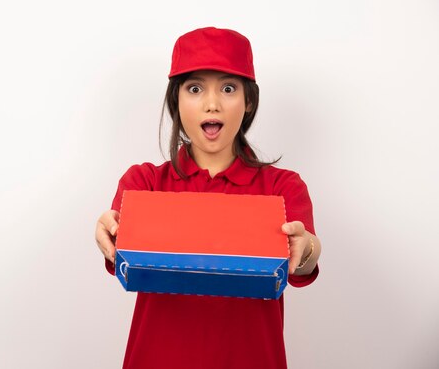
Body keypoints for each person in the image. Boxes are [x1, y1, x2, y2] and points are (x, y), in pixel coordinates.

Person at [95, 26, 322, 369]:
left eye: (228, 88)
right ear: (177, 100)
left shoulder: (282, 188)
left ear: (248, 102)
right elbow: (118, 245)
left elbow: (305, 257)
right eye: (195, 88)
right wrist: (108, 233)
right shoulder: (144, 184)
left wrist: (305, 248)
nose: (212, 103)